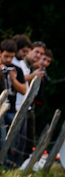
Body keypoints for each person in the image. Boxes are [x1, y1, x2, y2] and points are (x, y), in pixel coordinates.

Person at [0, 38, 27, 168]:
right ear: (0, 53)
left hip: (11, 110)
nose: (8, 60)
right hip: (0, 110)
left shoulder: (17, 70)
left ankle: (10, 167)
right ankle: (3, 167)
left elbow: (23, 90)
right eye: (6, 56)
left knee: (13, 142)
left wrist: (13, 78)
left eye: (11, 57)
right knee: (2, 140)